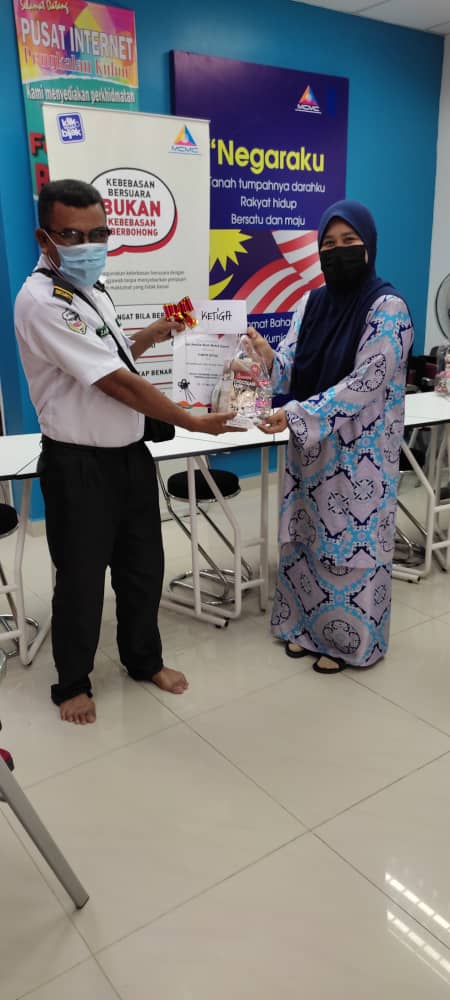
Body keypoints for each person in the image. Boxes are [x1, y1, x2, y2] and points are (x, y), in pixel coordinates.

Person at [15, 178, 241, 725]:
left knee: (143, 568)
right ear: (45, 239)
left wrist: (151, 335)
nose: (89, 245)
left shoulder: (92, 288)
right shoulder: (41, 300)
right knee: (81, 579)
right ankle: (73, 683)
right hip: (78, 464)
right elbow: (114, 381)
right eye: (73, 235)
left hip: (129, 457)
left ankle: (144, 660)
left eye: (99, 234)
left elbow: (110, 353)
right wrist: (191, 421)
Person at [250, 199, 414, 673]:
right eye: (328, 244)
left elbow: (364, 383)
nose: (337, 251)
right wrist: (265, 357)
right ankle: (304, 629)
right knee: (305, 540)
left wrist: (297, 414)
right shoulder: (312, 302)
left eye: (349, 241)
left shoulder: (388, 308)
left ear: (369, 246)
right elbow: (292, 365)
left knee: (349, 547)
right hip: (310, 450)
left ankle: (349, 643)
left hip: (360, 454)